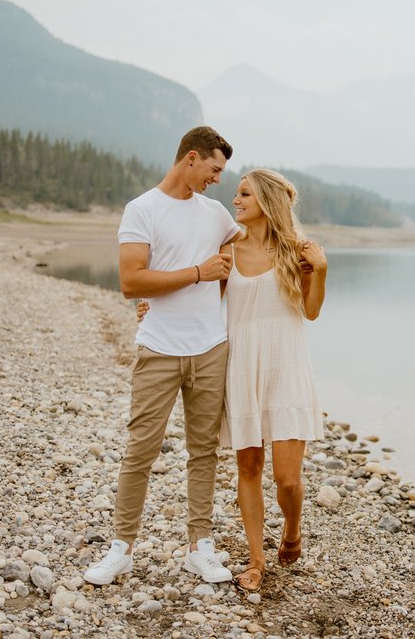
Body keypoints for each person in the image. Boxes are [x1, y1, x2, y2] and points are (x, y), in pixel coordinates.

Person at [137, 168, 328, 592]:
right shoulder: (228, 248)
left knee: (288, 479)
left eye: (244, 194)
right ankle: (257, 558)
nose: (235, 200)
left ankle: (293, 527)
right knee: (248, 465)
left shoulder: (296, 251)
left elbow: (311, 312)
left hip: (286, 366)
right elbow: (202, 297)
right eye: (236, 193)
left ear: (267, 202)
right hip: (240, 364)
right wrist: (155, 308)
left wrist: (322, 269)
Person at [83, 126, 241, 586]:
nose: (217, 180)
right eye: (214, 169)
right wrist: (197, 274)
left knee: (204, 452)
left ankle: (200, 548)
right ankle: (121, 549)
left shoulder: (215, 215)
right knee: (140, 451)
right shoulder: (142, 209)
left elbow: (247, 251)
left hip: (211, 348)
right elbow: (131, 282)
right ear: (191, 158)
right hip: (159, 349)